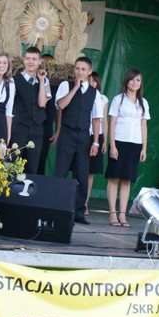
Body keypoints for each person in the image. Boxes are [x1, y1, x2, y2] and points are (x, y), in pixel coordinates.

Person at [54, 56, 102, 225]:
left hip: (83, 136)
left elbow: (96, 118)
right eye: (77, 68)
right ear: (74, 70)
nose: (80, 72)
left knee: (81, 174)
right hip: (67, 133)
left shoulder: (95, 93)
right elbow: (61, 105)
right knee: (60, 171)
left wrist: (96, 141)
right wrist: (75, 88)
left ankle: (79, 212)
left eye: (83, 69)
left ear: (89, 72)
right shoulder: (65, 85)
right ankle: (56, 207)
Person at [106, 69, 149, 227]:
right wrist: (112, 145)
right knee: (114, 178)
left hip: (135, 144)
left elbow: (143, 126)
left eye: (138, 80)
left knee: (126, 180)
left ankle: (122, 215)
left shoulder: (143, 103)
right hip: (119, 142)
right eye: (132, 79)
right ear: (127, 81)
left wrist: (144, 148)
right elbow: (112, 124)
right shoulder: (118, 100)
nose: (135, 82)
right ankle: (112, 214)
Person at [11, 46, 50, 174]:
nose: (30, 62)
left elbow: (42, 103)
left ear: (39, 62)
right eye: (28, 58)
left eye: (34, 59)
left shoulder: (45, 81)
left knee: (32, 167)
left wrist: (41, 81)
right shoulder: (14, 80)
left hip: (37, 129)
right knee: (13, 164)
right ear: (24, 60)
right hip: (19, 127)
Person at [85, 72, 109, 216]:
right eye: (89, 80)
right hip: (82, 134)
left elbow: (104, 121)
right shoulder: (81, 94)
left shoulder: (103, 98)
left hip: (96, 137)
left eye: (94, 81)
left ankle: (85, 203)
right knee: (79, 170)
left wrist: (104, 140)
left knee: (90, 173)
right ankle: (74, 200)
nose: (91, 83)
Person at [37, 53, 58, 175]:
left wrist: (57, 131)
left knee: (42, 159)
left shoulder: (56, 86)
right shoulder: (34, 82)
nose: (47, 68)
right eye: (44, 64)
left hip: (47, 127)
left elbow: (58, 110)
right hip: (33, 125)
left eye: (50, 65)